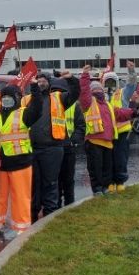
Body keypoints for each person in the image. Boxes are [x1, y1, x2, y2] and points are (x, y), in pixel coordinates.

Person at [0, 84, 41, 240]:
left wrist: (35, 90)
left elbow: (37, 110)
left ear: (17, 98)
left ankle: (22, 225)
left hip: (20, 162)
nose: (6, 100)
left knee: (21, 196)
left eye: (10, 97)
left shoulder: (23, 114)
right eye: (3, 97)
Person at [25, 71, 79, 223]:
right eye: (38, 80)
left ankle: (48, 219)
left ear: (49, 83)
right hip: (32, 149)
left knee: (50, 184)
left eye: (43, 81)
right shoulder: (27, 100)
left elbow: (75, 93)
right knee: (33, 185)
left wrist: (72, 80)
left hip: (52, 149)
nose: (41, 83)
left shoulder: (59, 98)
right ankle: (33, 217)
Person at [79, 65, 136, 196]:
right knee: (97, 168)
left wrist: (132, 113)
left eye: (112, 81)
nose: (99, 90)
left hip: (114, 137)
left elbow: (118, 112)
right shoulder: (91, 101)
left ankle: (112, 184)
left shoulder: (115, 98)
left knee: (113, 164)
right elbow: (84, 92)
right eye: (98, 88)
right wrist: (85, 75)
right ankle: (101, 187)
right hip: (96, 139)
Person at [105, 62, 137, 193]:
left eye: (113, 82)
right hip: (107, 134)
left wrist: (131, 71)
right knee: (107, 159)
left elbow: (132, 84)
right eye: (108, 82)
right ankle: (110, 182)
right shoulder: (101, 96)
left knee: (120, 159)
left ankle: (120, 181)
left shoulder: (123, 93)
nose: (110, 85)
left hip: (122, 133)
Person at [58, 78, 86, 207]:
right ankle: (56, 207)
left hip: (68, 148)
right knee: (55, 182)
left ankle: (69, 206)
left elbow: (80, 125)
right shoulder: (49, 105)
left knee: (68, 180)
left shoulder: (74, 106)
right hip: (54, 148)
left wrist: (73, 141)